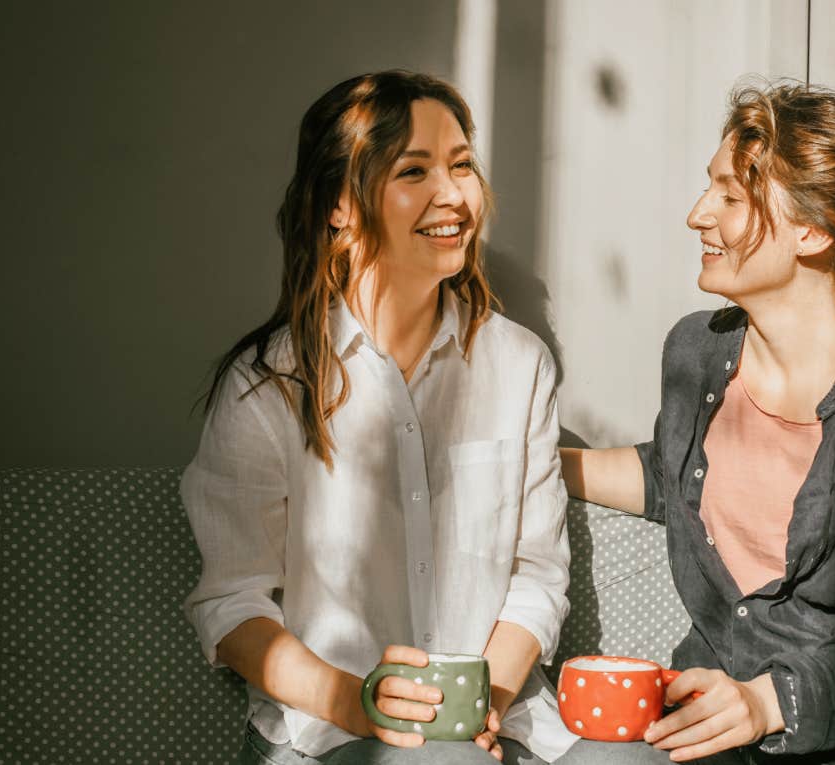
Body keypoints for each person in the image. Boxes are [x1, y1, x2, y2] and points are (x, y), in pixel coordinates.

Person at [560, 81, 835, 764]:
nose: (698, 214)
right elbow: (675, 472)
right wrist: (535, 464)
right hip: (704, 724)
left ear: (813, 230)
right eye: (710, 188)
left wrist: (767, 702)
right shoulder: (695, 350)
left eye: (730, 197)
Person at [181, 70, 577, 765]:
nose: (454, 195)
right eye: (414, 170)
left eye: (460, 166)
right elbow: (233, 603)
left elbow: (537, 579)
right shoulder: (265, 386)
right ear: (339, 203)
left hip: (507, 728)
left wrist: (486, 704)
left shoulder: (521, 366)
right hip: (327, 737)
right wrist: (357, 701)